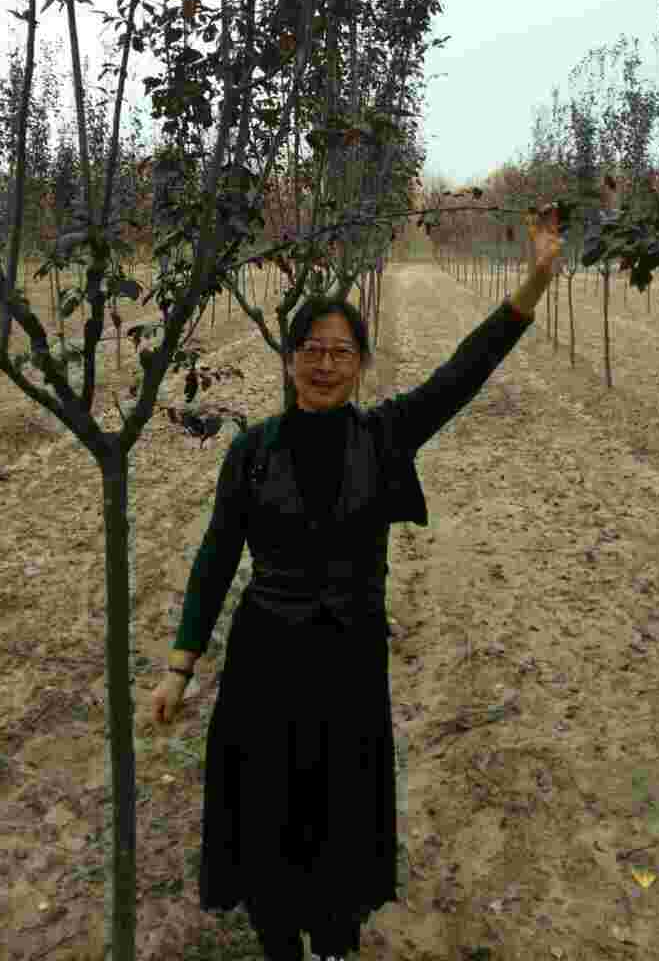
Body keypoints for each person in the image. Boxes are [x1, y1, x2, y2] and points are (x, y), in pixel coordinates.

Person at [150, 210, 564, 960]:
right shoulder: (251, 452)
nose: (325, 363)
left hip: (349, 662)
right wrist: (181, 665)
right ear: (289, 361)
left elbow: (464, 371)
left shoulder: (385, 434)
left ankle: (335, 942)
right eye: (311, 349)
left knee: (339, 814)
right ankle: (279, 941)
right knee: (268, 812)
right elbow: (216, 555)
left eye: (341, 351)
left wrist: (533, 282)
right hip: (265, 662)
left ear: (361, 364)